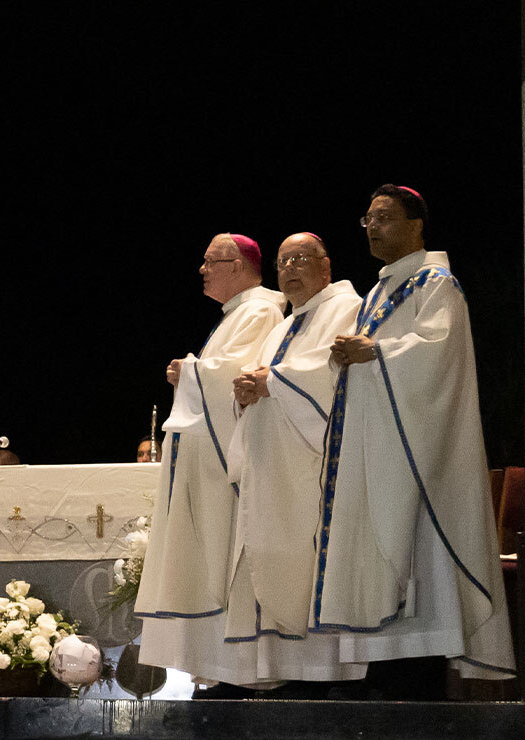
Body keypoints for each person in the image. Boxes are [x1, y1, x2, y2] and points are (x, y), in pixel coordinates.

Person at [317, 185, 515, 698]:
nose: (374, 227)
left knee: (416, 564)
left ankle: (416, 684)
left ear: (416, 225)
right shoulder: (377, 293)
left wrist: (376, 353)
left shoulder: (436, 284)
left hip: (415, 460)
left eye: (385, 217)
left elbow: (439, 354)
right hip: (374, 452)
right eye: (368, 219)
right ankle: (382, 677)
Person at [134, 233, 287, 696]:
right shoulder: (239, 313)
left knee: (224, 558)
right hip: (206, 459)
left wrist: (192, 371)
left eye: (209, 261)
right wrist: (193, 373)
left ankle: (237, 666)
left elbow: (237, 375)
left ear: (237, 265)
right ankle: (216, 664)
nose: (202, 269)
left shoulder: (261, 309)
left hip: (226, 464)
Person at [224, 233, 364, 693]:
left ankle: (324, 677)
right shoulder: (285, 324)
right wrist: (245, 392)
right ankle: (280, 673)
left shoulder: (345, 307)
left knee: (308, 563)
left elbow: (333, 374)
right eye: (283, 261)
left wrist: (273, 382)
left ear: (326, 266)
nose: (289, 268)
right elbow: (268, 377)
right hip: (271, 466)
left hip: (312, 468)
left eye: (300, 258)